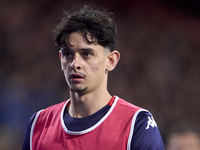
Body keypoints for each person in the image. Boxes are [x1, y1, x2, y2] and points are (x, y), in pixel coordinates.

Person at [22, 5, 164, 150]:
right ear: (60, 58)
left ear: (111, 60)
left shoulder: (136, 123)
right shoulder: (38, 124)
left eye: (87, 54)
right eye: (68, 54)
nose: (75, 63)